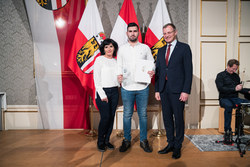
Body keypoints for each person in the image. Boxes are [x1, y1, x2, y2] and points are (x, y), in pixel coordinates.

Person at [155, 23, 193, 159]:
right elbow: (158, 72)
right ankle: (170, 143)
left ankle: (178, 146)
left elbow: (188, 72)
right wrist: (157, 90)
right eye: (164, 33)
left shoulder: (184, 48)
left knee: (178, 119)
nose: (166, 35)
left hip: (178, 91)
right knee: (167, 118)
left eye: (169, 32)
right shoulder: (161, 50)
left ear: (175, 32)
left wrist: (185, 91)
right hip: (164, 90)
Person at [117, 22, 155, 153]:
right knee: (127, 115)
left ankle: (143, 140)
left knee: (143, 115)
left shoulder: (145, 48)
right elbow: (118, 65)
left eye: (134, 31)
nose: (132, 33)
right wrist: (119, 76)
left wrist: (152, 71)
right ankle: (126, 140)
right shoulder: (122, 49)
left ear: (138, 32)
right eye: (130, 31)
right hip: (127, 87)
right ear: (127, 33)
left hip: (142, 87)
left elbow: (152, 64)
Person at [215, 59, 250, 144]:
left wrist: (248, 91)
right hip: (224, 98)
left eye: (236, 69)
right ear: (228, 66)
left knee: (247, 103)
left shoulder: (236, 76)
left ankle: (239, 128)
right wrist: (234, 88)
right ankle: (227, 131)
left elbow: (239, 89)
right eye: (233, 69)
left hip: (235, 98)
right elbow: (221, 89)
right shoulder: (220, 75)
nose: (234, 71)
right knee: (229, 106)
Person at [94, 38, 119, 152]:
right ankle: (100, 141)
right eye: (106, 47)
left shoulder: (116, 61)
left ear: (114, 48)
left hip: (114, 91)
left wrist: (121, 80)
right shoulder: (99, 60)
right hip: (102, 92)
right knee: (105, 117)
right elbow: (96, 79)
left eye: (111, 46)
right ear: (103, 49)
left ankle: (107, 140)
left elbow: (116, 79)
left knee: (112, 117)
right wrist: (102, 94)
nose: (109, 49)